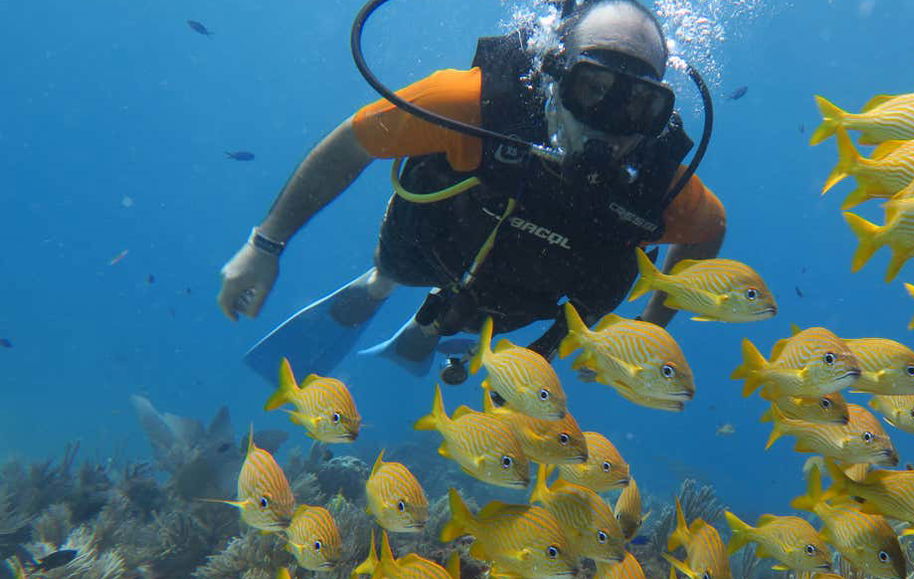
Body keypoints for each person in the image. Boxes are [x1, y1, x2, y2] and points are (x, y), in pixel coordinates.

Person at [217, 0, 726, 385]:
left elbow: (709, 231)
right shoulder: (469, 104)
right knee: (399, 266)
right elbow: (352, 144)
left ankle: (441, 326)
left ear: (660, 112)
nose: (610, 125)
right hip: (430, 245)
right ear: (553, 75)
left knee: (565, 289)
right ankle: (380, 285)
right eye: (592, 89)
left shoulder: (664, 183)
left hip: (527, 297)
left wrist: (653, 327)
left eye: (639, 104)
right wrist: (265, 245)